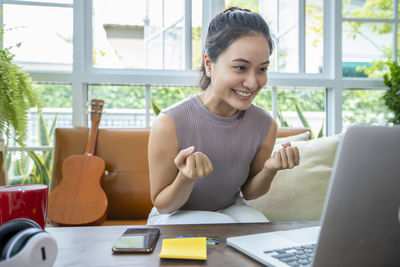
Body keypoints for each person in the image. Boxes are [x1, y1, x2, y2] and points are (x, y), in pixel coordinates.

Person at [147, 7, 300, 225]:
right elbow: (163, 205)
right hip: (173, 215)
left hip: (229, 209)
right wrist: (186, 177)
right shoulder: (169, 123)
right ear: (209, 64)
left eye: (262, 69)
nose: (253, 82)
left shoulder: (265, 125)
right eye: (240, 67)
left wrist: (270, 169)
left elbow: (249, 192)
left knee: (259, 226)